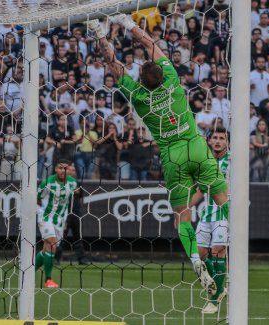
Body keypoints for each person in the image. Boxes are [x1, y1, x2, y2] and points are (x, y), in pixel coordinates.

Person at [89, 15, 229, 295]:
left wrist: (99, 33)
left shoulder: (138, 95)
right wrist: (128, 24)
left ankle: (195, 261)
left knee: (182, 217)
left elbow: (113, 64)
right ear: (163, 74)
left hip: (171, 154)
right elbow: (150, 43)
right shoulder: (172, 81)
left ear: (141, 78)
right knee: (225, 201)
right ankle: (228, 250)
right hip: (195, 145)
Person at [195, 127, 229, 314]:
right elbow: (200, 189)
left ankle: (214, 300)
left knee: (217, 251)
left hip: (224, 212)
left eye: (221, 138)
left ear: (227, 142)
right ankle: (221, 287)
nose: (217, 141)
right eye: (215, 138)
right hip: (206, 212)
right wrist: (184, 207)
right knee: (200, 254)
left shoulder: (232, 161)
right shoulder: (204, 162)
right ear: (209, 141)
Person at [35, 159, 78, 288]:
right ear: (55, 169)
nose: (63, 171)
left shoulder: (72, 184)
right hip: (46, 217)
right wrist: (39, 212)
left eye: (66, 168)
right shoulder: (47, 183)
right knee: (52, 244)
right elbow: (37, 197)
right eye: (60, 168)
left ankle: (28, 273)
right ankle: (48, 279)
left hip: (60, 220)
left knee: (47, 249)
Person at [54, 164, 89, 265]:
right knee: (61, 237)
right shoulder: (60, 182)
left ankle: (81, 258)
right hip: (64, 214)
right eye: (71, 170)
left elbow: (80, 196)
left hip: (76, 214)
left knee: (78, 237)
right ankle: (56, 258)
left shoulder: (77, 183)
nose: (74, 172)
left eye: (74, 170)